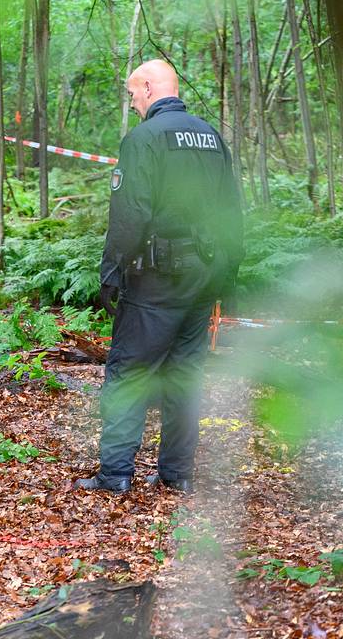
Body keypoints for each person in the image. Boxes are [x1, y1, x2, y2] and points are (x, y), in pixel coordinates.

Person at [75, 59, 243, 494]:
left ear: (149, 88)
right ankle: (177, 474)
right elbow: (232, 211)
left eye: (133, 94)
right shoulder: (210, 136)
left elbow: (130, 214)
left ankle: (114, 474)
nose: (132, 103)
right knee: (186, 374)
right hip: (203, 276)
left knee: (129, 371)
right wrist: (228, 271)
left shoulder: (143, 140)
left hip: (157, 278)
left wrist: (111, 270)